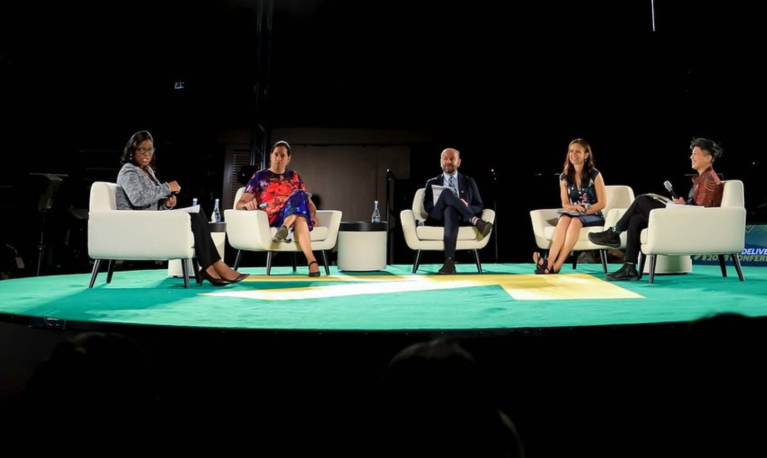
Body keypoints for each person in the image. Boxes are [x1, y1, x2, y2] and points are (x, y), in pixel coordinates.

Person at [116, 130, 247, 286]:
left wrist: (165, 204)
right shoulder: (129, 171)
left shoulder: (147, 171)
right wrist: (166, 188)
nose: (146, 153)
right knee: (194, 217)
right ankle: (213, 267)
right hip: (140, 223)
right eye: (141, 149)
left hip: (151, 219)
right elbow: (137, 199)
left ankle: (213, 266)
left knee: (198, 212)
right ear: (132, 150)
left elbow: (150, 203)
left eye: (149, 149)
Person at [589, 137, 724, 281]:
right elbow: (697, 207)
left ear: (708, 158)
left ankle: (614, 233)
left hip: (689, 225)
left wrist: (684, 207)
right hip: (686, 218)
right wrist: (683, 204)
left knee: (642, 200)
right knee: (636, 220)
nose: (691, 156)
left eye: (695, 153)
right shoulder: (701, 178)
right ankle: (629, 267)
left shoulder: (709, 179)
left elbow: (703, 213)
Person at [235, 140, 321, 277]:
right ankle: (312, 261)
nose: (278, 158)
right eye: (276, 154)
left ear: (288, 158)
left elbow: (310, 204)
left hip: (291, 216)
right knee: (300, 213)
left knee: (300, 200)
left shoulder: (295, 176)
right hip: (271, 217)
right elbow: (239, 204)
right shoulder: (259, 176)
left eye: (282, 155)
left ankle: (308, 257)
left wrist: (312, 214)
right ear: (270, 156)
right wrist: (246, 205)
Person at [534, 138, 606, 274]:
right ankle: (549, 262)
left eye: (578, 152)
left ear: (586, 155)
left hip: (593, 214)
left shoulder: (595, 174)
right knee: (564, 219)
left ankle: (557, 265)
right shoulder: (564, 177)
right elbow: (565, 204)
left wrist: (585, 211)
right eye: (571, 151)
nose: (573, 154)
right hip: (575, 213)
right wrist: (574, 208)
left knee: (575, 221)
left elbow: (602, 203)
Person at [423, 148, 493, 274]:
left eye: (452, 159)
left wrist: (465, 207)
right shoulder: (431, 182)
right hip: (437, 217)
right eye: (445, 159)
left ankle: (449, 262)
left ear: (458, 162)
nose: (448, 161)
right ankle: (475, 221)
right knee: (446, 192)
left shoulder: (469, 182)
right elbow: (427, 206)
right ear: (440, 162)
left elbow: (479, 205)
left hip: (459, 219)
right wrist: (443, 202)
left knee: (450, 210)